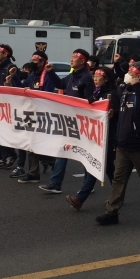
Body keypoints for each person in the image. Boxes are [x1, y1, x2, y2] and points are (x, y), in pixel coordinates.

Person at [96, 61, 140, 225]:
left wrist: (138, 86)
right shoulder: (126, 90)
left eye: (131, 73)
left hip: (139, 145)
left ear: (138, 76)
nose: (127, 75)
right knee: (118, 179)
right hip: (123, 144)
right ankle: (112, 211)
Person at [38, 49, 95, 194]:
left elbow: (90, 101)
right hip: (69, 121)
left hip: (82, 123)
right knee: (62, 150)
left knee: (85, 154)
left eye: (75, 57)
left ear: (82, 61)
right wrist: (50, 72)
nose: (71, 59)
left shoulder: (87, 78)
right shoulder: (71, 76)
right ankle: (55, 184)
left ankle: (89, 184)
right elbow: (61, 84)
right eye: (71, 56)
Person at [67, 66, 119, 209]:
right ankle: (118, 194)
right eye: (94, 76)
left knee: (96, 164)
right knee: (109, 169)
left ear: (106, 78)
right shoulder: (97, 93)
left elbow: (114, 116)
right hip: (97, 136)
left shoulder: (112, 95)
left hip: (107, 136)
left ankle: (80, 198)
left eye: (98, 76)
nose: (95, 79)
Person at [9, 50, 59, 183]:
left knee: (37, 144)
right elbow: (22, 88)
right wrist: (14, 77)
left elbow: (47, 95)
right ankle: (34, 172)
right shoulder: (32, 75)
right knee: (31, 143)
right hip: (31, 113)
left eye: (35, 61)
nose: (32, 63)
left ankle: (52, 161)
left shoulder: (47, 76)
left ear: (42, 62)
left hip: (43, 114)